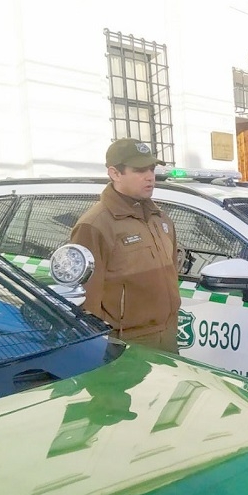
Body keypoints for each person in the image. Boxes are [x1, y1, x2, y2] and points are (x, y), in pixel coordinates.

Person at [70, 138, 181, 353]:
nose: (150, 177)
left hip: (167, 337)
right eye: (139, 170)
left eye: (151, 168)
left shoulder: (160, 219)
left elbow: (171, 272)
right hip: (127, 345)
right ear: (115, 173)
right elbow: (86, 301)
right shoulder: (95, 225)